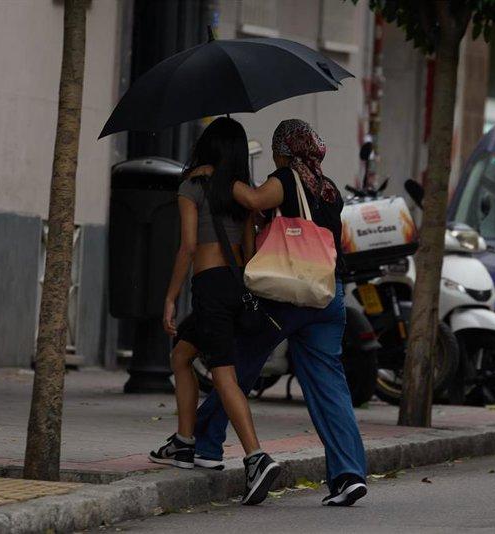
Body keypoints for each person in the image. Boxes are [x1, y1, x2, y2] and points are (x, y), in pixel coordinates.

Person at [193, 119, 368, 507]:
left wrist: (217, 173)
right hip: (327, 294)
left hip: (288, 295)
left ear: (284, 152)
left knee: (236, 366)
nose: (275, 157)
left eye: (277, 151)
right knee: (329, 387)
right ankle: (348, 474)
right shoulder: (329, 189)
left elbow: (255, 200)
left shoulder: (287, 179)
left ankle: (204, 443)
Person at [149, 117, 281, 506]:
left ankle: (257, 458)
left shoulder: (191, 184)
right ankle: (186, 443)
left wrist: (171, 296)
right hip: (236, 287)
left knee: (224, 375)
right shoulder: (242, 192)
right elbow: (250, 250)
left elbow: (188, 247)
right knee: (181, 356)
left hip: (209, 287)